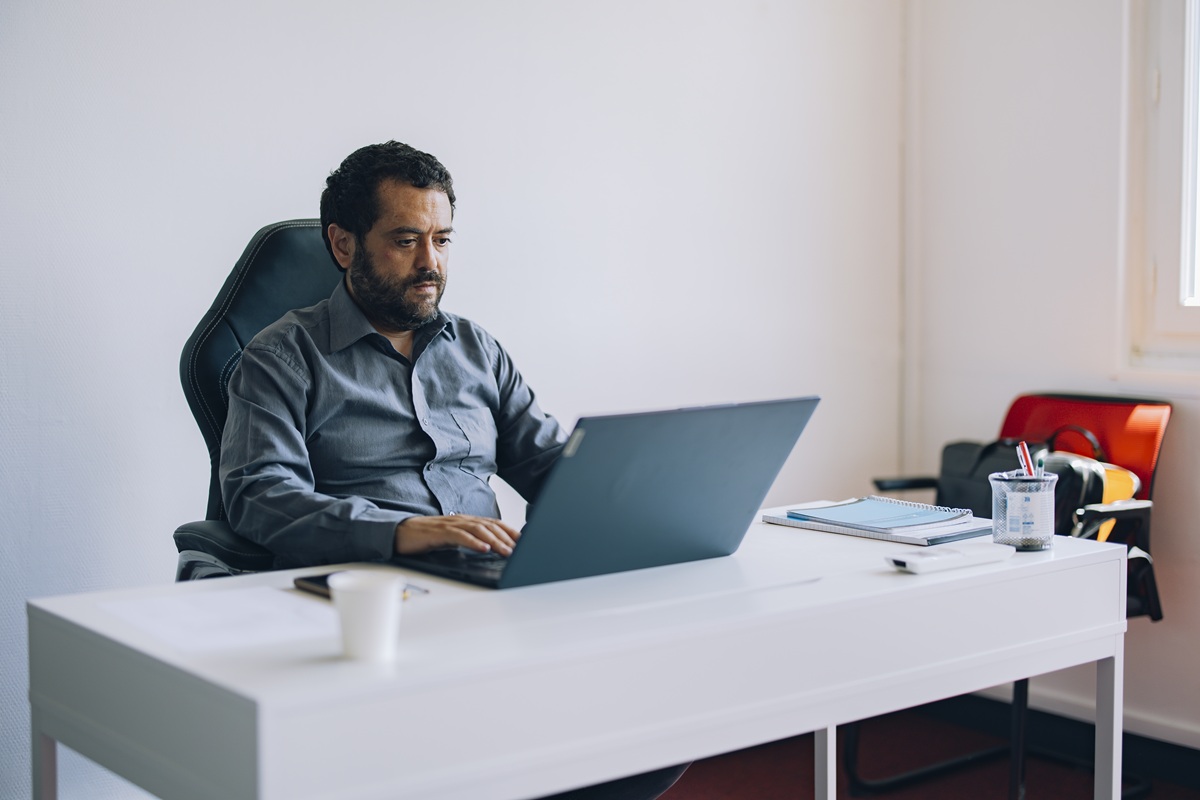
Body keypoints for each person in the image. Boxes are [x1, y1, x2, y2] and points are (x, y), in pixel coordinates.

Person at [219, 141, 687, 799]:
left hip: (491, 595)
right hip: (378, 609)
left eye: (442, 239)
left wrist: (646, 498)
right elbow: (260, 495)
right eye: (406, 240)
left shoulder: (477, 350)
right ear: (344, 244)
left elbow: (550, 463)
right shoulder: (282, 358)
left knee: (653, 718)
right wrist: (403, 532)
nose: (430, 263)